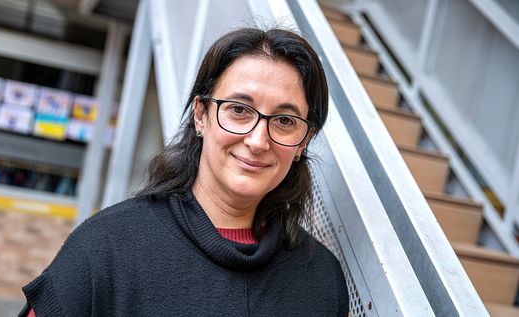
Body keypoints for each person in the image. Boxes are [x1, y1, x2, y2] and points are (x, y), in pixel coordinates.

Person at [20, 27, 349, 316]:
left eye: (285, 121)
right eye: (238, 110)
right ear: (201, 115)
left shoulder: (322, 280)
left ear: (303, 142)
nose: (258, 140)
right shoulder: (107, 247)